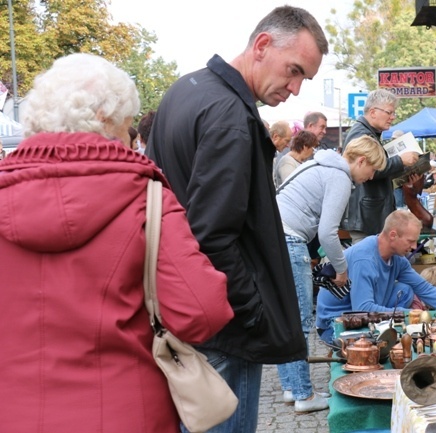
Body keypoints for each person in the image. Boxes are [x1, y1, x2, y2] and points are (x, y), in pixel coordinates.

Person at [0, 53, 233, 433]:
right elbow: (201, 312)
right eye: (129, 130)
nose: (132, 142)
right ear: (106, 122)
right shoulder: (146, 197)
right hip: (126, 413)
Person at [145, 6, 328, 433]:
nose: (296, 89)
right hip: (221, 325)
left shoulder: (186, 90)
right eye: (295, 70)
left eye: (306, 79)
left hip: (188, 310)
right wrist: (252, 310)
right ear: (262, 45)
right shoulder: (229, 114)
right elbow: (212, 235)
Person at [276, 135, 387, 412]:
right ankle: (304, 394)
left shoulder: (321, 165)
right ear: (360, 160)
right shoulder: (339, 176)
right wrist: (341, 268)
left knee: (284, 318)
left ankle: (292, 388)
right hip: (289, 241)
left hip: (275, 238)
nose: (370, 176)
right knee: (300, 321)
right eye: (371, 169)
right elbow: (327, 232)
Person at [316, 210, 436, 343]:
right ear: (393, 235)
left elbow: (423, 288)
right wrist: (406, 314)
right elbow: (362, 309)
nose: (414, 247)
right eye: (411, 241)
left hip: (358, 312)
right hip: (334, 323)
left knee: (405, 290)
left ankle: (388, 333)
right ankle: (385, 338)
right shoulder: (365, 260)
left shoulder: (397, 259)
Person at [341, 89, 419, 244]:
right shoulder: (361, 134)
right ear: (373, 112)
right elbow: (371, 170)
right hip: (366, 216)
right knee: (368, 261)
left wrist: (405, 172)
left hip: (371, 213)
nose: (392, 117)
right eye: (389, 112)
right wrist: (400, 161)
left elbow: (376, 170)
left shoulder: (370, 133)